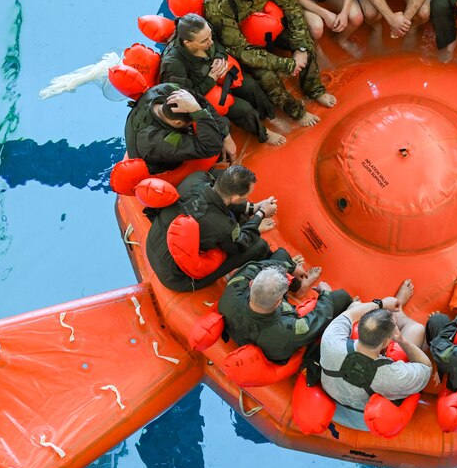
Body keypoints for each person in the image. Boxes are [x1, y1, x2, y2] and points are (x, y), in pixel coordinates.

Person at [201, 0, 334, 127]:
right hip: (244, 45)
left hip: (268, 26)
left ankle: (314, 89)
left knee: (305, 43)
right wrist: (287, 64)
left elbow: (291, 7)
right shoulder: (217, 5)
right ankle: (295, 111)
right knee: (266, 76)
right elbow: (241, 51)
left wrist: (300, 47)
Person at [319, 281, 433, 431]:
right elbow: (426, 367)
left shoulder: (331, 340)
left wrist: (381, 304)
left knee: (354, 307)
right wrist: (401, 339)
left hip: (335, 406)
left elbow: (349, 315)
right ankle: (398, 315)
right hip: (368, 419)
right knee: (416, 329)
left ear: (358, 328)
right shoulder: (393, 375)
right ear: (387, 342)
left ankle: (388, 314)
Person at [146, 165, 278, 291]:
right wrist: (260, 215)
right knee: (259, 246)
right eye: (244, 197)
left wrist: (253, 208)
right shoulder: (222, 225)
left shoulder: (196, 179)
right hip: (176, 277)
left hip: (153, 244)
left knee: (221, 210)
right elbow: (241, 244)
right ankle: (277, 267)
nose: (245, 198)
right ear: (236, 197)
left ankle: (249, 216)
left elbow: (218, 199)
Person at [160, 13, 285, 146]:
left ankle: (268, 115)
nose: (210, 41)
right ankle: (263, 133)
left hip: (220, 76)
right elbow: (185, 96)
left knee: (251, 85)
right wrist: (210, 79)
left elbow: (218, 45)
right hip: (205, 92)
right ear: (187, 42)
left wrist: (220, 56)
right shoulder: (174, 64)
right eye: (204, 41)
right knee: (243, 109)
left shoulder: (205, 33)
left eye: (210, 36)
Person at [218, 254, 353, 364]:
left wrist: (290, 267)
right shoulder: (288, 330)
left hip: (248, 327)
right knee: (342, 296)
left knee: (281, 255)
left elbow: (255, 267)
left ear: (252, 283)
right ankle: (351, 307)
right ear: (279, 302)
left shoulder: (231, 294)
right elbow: (319, 319)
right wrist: (325, 293)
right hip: (276, 342)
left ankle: (300, 286)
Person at [124, 81, 235, 175]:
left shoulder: (165, 89)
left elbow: (198, 99)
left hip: (155, 137)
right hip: (158, 161)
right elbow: (211, 147)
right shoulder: (159, 141)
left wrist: (226, 134)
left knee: (222, 125)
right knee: (214, 141)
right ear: (178, 123)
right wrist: (198, 113)